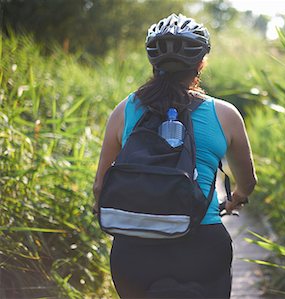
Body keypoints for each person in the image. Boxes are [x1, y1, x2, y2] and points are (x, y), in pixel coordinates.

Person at [92, 13, 257, 298]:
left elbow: (100, 185)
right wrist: (234, 200)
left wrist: (101, 208)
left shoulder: (124, 110)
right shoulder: (225, 114)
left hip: (134, 252)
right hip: (202, 248)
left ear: (153, 63)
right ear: (201, 63)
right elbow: (248, 181)